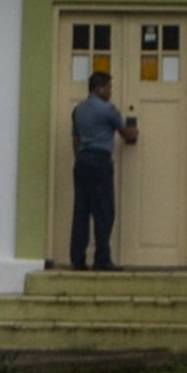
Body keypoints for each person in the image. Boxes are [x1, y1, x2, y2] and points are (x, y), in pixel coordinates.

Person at [69, 67, 137, 268]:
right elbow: (126, 134)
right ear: (99, 88)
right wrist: (134, 130)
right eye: (108, 88)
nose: (110, 92)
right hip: (100, 162)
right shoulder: (108, 110)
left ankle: (78, 259)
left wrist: (80, 159)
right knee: (103, 212)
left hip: (82, 163)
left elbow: (76, 139)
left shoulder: (78, 110)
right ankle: (102, 259)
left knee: (81, 211)